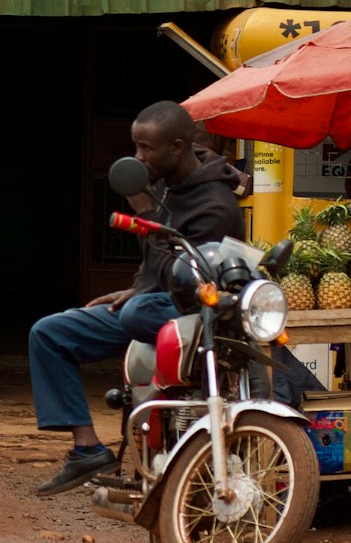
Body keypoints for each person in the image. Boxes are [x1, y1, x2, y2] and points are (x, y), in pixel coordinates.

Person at [28, 100, 246, 496]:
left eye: (146, 148)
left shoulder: (215, 205)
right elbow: (155, 269)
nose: (138, 157)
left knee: (137, 313)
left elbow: (184, 276)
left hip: (196, 314)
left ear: (177, 147)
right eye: (136, 147)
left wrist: (147, 217)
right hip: (151, 302)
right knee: (49, 333)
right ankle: (87, 449)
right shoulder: (167, 180)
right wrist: (136, 285)